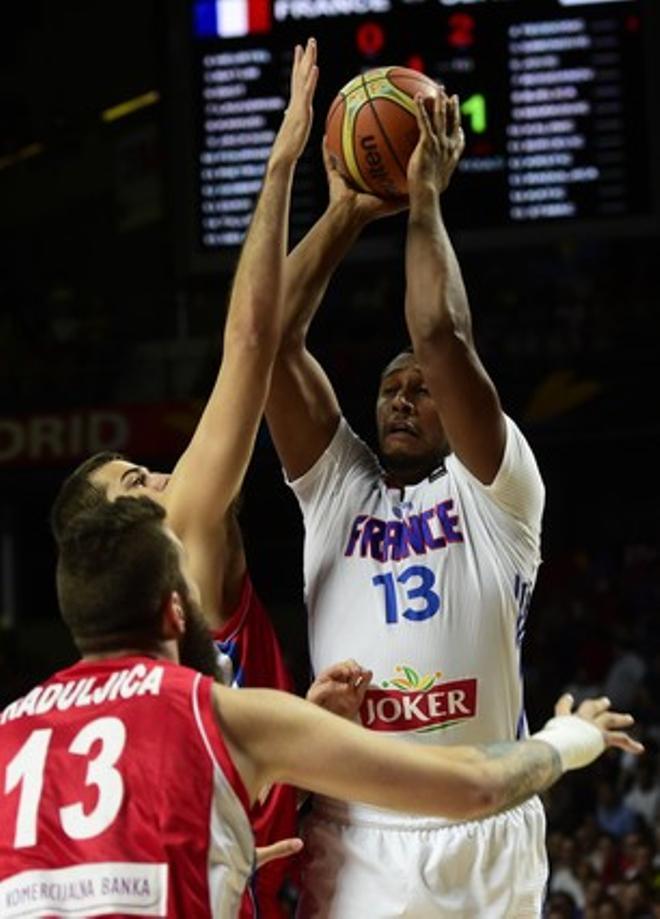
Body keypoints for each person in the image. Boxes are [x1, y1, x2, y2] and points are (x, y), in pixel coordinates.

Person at [0, 495, 643, 919]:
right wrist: (568, 738)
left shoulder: (11, 729)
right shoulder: (218, 711)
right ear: (175, 609)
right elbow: (473, 788)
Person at [48, 38, 322, 918]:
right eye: (139, 476)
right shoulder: (185, 536)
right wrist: (283, 158)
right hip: (242, 873)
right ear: (121, 528)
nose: (165, 476)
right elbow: (249, 342)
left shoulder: (96, 677)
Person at [265, 90, 551, 914]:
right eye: (390, 388)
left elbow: (440, 334)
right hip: (358, 827)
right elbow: (271, 340)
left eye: (421, 392)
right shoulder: (336, 491)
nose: (402, 397)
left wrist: (424, 196)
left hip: (482, 814)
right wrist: (348, 211)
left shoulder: (499, 489)